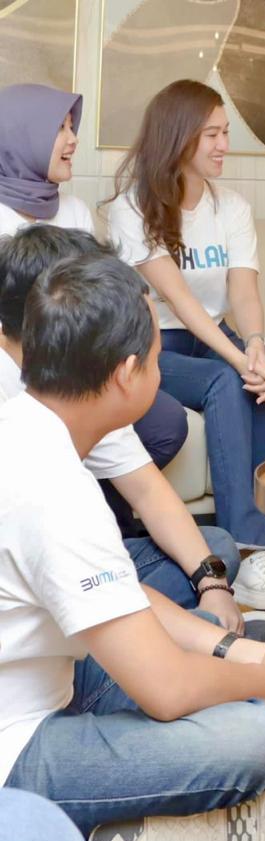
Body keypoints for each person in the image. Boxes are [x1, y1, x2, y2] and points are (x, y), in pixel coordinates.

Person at [0, 253, 265, 841]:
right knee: (254, 738)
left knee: (236, 656)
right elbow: (166, 690)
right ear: (128, 374)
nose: (159, 374)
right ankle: (108, 836)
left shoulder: (26, 427)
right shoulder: (53, 486)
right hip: (15, 750)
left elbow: (123, 598)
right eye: (156, 359)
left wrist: (246, 654)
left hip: (53, 678)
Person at [105, 79, 265, 610]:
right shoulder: (131, 209)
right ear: (179, 137)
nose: (224, 145)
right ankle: (245, 544)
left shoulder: (231, 207)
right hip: (152, 344)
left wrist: (256, 346)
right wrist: (239, 361)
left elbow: (244, 291)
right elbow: (181, 302)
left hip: (216, 335)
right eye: (212, 134)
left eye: (225, 132)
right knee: (226, 379)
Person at [0, 226, 244, 632]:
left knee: (214, 549)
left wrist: (212, 583)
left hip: (68, 585)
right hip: (32, 625)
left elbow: (147, 490)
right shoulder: (41, 458)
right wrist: (219, 645)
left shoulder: (76, 384)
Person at [0, 81, 188, 536]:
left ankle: (104, 528)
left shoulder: (75, 211)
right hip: (23, 368)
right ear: (22, 135)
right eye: (59, 129)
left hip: (86, 363)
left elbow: (102, 296)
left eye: (72, 127)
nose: (73, 139)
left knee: (166, 422)